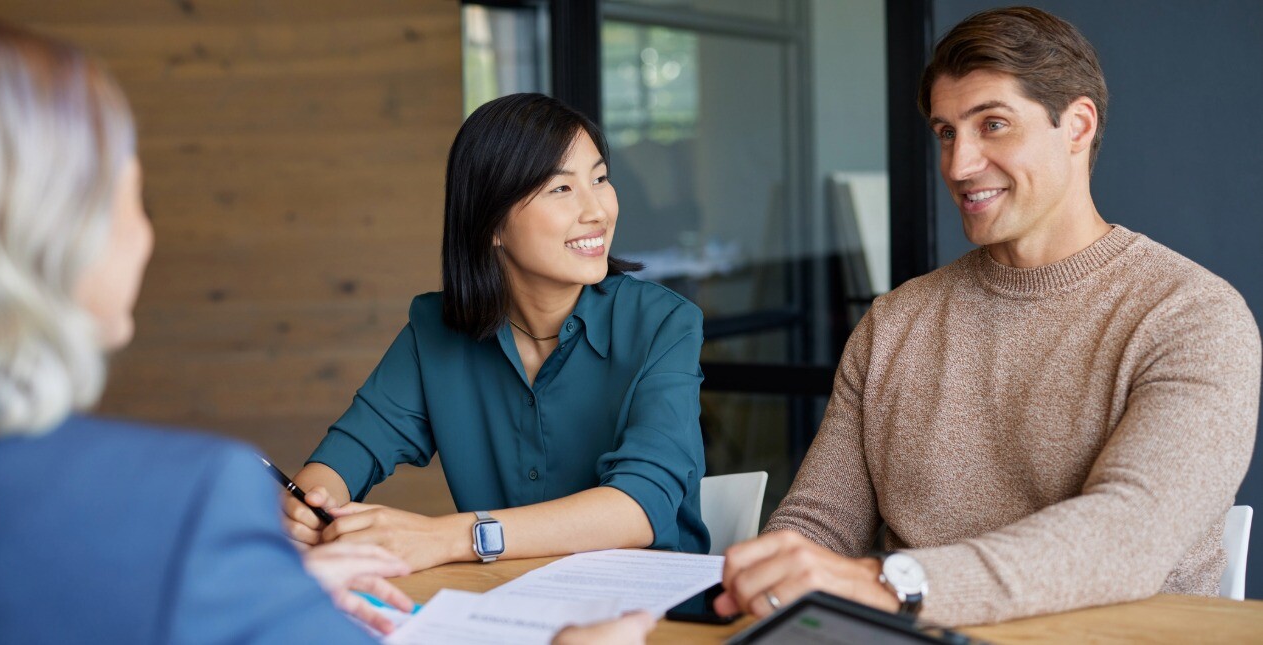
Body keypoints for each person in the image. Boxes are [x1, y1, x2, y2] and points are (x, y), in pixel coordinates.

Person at [715, 6, 1260, 627]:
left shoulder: (1192, 316)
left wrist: (896, 582)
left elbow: (1129, 535)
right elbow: (819, 523)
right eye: (946, 133)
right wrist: (773, 577)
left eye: (993, 125)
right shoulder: (896, 322)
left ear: (1077, 125)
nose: (958, 165)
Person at [0, 19, 419, 643]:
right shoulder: (190, 505)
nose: (144, 232)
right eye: (131, 193)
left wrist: (249, 589)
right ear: (61, 229)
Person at [283, 93, 710, 569]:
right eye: (561, 189)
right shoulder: (437, 331)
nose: (597, 211)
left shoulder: (664, 323)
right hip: (499, 604)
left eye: (600, 179)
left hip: (647, 610)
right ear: (493, 225)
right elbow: (352, 451)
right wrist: (307, 507)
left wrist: (447, 537)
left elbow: (641, 504)